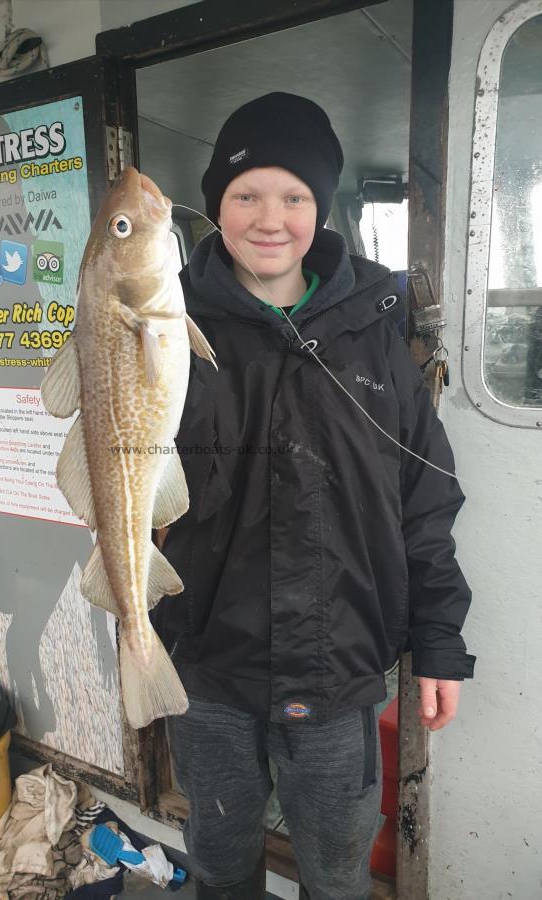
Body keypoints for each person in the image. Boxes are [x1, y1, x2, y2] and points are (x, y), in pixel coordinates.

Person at [151, 92, 476, 900]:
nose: (270, 217)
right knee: (220, 869)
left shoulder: (374, 333)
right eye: (244, 194)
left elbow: (423, 502)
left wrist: (437, 640)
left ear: (320, 208)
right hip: (207, 672)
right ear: (213, 207)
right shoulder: (162, 331)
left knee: (335, 875)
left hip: (339, 676)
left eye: (293, 195)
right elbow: (120, 472)